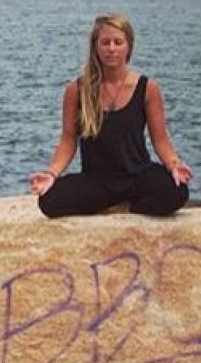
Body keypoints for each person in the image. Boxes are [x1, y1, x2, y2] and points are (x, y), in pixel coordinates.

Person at [29, 13, 192, 217]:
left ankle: (129, 209)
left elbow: (160, 139)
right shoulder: (77, 90)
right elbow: (68, 140)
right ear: (95, 47)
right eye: (105, 42)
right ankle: (108, 204)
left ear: (129, 46)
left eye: (118, 42)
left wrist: (174, 164)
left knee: (177, 191)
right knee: (49, 201)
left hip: (137, 176)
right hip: (96, 181)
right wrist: (51, 174)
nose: (112, 48)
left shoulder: (147, 88)